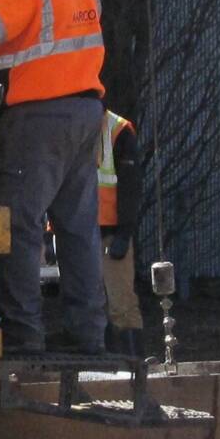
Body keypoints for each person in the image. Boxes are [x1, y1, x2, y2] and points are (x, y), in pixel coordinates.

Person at [0, 0, 107, 356]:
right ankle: (87, 336)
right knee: (78, 230)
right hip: (85, 113)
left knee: (19, 227)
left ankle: (23, 338)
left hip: (37, 120)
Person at [96, 108, 146, 355]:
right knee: (95, 309)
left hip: (109, 233)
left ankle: (132, 370)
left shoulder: (118, 130)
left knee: (121, 306)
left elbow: (130, 187)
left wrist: (124, 234)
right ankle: (109, 369)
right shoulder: (79, 125)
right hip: (84, 235)